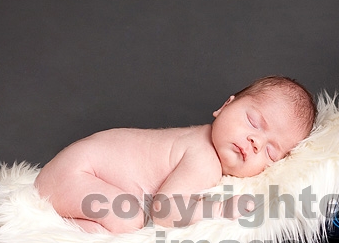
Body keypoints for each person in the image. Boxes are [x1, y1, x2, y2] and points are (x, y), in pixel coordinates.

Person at [34, 76, 317, 234]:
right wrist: (219, 209)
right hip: (76, 174)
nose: (255, 142)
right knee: (128, 221)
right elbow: (165, 212)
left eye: (269, 151)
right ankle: (45, 235)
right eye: (254, 122)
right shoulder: (204, 157)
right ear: (224, 106)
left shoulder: (197, 138)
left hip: (74, 171)